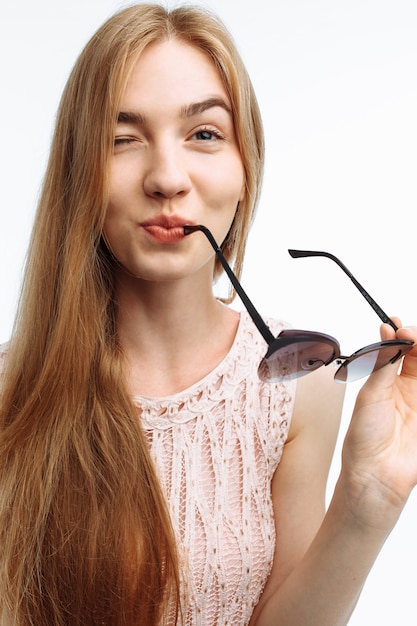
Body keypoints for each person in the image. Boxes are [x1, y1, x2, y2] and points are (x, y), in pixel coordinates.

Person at [0, 3, 416, 625]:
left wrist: (367, 501)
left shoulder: (297, 393)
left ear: (246, 168)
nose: (168, 178)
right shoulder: (12, 392)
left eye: (204, 134)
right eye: (122, 139)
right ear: (77, 176)